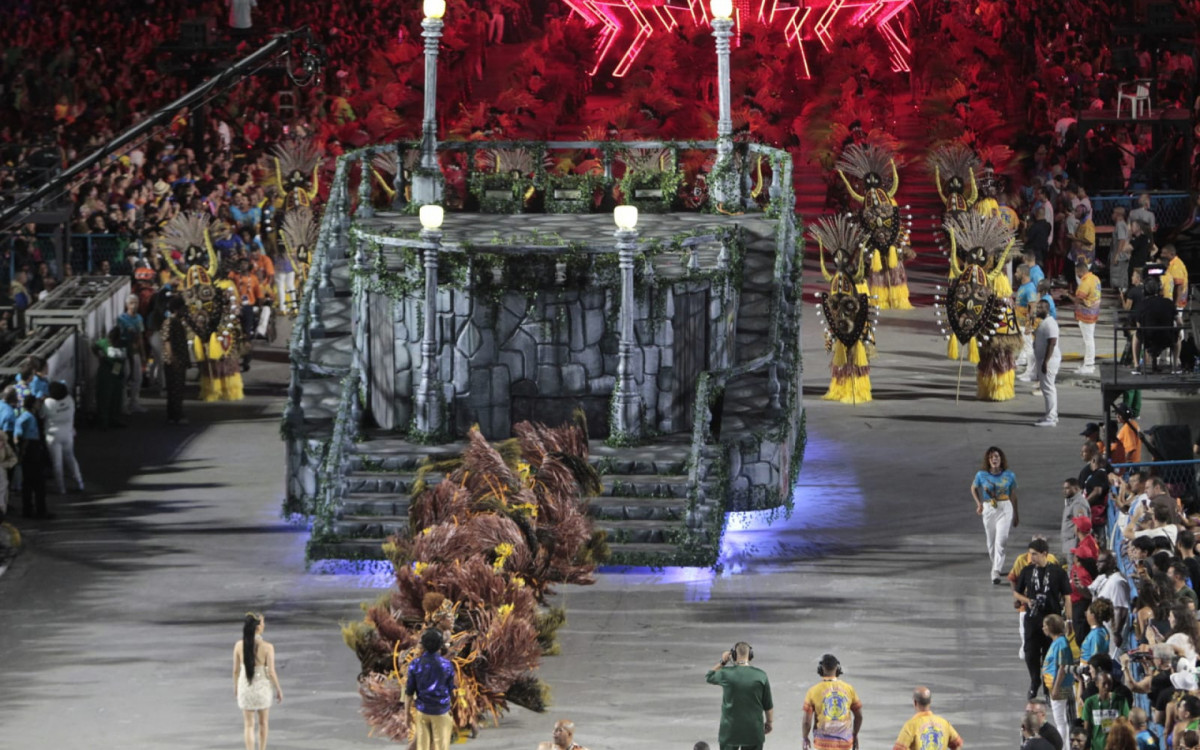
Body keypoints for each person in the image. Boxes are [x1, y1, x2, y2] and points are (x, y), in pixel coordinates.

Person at [1016, 538, 1073, 700]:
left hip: (1052, 620)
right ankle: (1035, 681)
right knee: (1030, 653)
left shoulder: (1058, 572)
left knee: (1050, 654)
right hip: (1033, 620)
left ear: (1044, 554)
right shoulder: (1027, 571)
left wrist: (1069, 620)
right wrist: (1027, 600)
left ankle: (1049, 686)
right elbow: (1017, 592)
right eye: (1030, 554)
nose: (1031, 557)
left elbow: (1067, 597)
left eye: (1034, 554)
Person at [706, 642, 774, 750]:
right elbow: (768, 705)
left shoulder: (726, 674)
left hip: (729, 731)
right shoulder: (761, 675)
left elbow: (709, 676)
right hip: (753, 731)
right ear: (750, 655)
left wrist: (722, 662)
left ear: (733, 655)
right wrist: (769, 722)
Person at [232, 612, 283, 750]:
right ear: (258, 627)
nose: (264, 625)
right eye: (263, 623)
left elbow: (235, 671)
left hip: (246, 687)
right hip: (262, 688)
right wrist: (278, 689)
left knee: (248, 725)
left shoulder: (239, 646)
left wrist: (236, 687)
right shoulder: (268, 647)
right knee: (263, 723)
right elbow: (271, 672)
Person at [971, 446, 1020, 583]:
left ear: (1001, 459)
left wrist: (1016, 514)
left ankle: (996, 571)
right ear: (988, 460)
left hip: (1005, 507)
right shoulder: (981, 475)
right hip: (989, 508)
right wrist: (979, 504)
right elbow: (973, 488)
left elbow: (1013, 495)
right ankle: (995, 565)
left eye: (997, 456)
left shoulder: (1010, 475)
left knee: (1001, 540)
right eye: (991, 457)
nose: (994, 459)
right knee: (991, 542)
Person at [406, 629, 456, 750]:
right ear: (441, 645)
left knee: (422, 747)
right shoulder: (447, 665)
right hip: (441, 712)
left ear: (423, 645)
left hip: (422, 712)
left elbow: (409, 692)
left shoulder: (415, 664)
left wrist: (406, 714)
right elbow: (452, 690)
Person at [802, 653, 863, 750]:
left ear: (821, 669)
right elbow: (859, 716)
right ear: (837, 669)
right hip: (845, 742)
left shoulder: (813, 691)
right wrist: (855, 735)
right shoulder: (849, 689)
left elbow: (806, 722)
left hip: (822, 743)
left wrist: (805, 738)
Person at [43, 381, 84, 495]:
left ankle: (61, 488)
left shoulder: (48, 403)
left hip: (53, 436)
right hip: (68, 433)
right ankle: (79, 482)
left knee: (57, 463)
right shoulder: (70, 400)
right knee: (71, 458)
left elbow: (42, 414)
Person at [891, 686, 962, 750]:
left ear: (915, 702)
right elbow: (958, 744)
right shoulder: (944, 723)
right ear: (930, 701)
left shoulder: (910, 726)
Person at [15, 394, 49, 520]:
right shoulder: (30, 418)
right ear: (33, 405)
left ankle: (27, 509)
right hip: (32, 451)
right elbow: (27, 437)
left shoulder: (23, 416)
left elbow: (17, 435)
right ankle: (41, 510)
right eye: (37, 403)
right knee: (39, 483)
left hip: (27, 452)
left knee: (27, 483)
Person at [1042, 614, 1076, 738]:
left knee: (1060, 721)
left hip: (1060, 686)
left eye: (1045, 626)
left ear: (1051, 627)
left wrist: (1056, 688)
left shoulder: (1061, 644)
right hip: (1055, 685)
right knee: (1060, 720)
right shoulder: (1057, 642)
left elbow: (1062, 667)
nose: (1043, 628)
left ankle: (1062, 744)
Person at [1067, 258, 1101, 375]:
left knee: (1088, 340)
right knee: (1089, 339)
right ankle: (1088, 363)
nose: (1077, 275)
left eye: (1077, 273)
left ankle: (1089, 365)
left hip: (1086, 315)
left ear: (1080, 271)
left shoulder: (1085, 283)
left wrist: (1067, 295)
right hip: (1093, 313)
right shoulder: (1095, 278)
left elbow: (1078, 300)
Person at [1083, 671, 1131, 750]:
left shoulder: (1121, 701)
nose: (1107, 686)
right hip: (1097, 747)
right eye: (1104, 683)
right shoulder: (1090, 702)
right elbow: (1087, 728)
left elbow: (1126, 723)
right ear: (1097, 684)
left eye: (1109, 683)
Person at [1033, 300, 1062, 426]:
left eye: (1040, 307)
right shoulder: (1044, 322)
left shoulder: (1050, 323)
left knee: (1049, 389)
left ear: (1047, 309)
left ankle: (1051, 418)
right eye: (1037, 307)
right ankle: (1050, 415)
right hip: (1044, 359)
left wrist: (1045, 362)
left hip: (1049, 360)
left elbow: (1052, 342)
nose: (1037, 309)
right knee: (1046, 389)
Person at [162, 295, 190, 425]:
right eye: (183, 308)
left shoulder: (178, 322)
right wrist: (173, 359)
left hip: (179, 359)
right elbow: (167, 341)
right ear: (177, 309)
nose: (185, 311)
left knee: (177, 388)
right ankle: (175, 415)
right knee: (175, 389)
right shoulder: (170, 322)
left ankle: (173, 415)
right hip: (174, 361)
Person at [92, 326, 127, 429]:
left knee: (116, 395)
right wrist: (100, 355)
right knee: (104, 395)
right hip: (106, 369)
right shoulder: (103, 342)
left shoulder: (121, 344)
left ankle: (114, 418)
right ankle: (103, 420)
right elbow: (94, 346)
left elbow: (124, 358)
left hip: (117, 367)